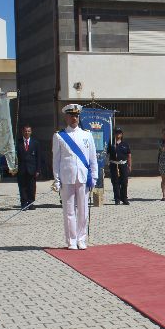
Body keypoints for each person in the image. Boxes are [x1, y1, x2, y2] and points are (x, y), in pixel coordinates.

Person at [52, 104, 98, 250]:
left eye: (76, 116)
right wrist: (56, 179)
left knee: (83, 210)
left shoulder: (87, 135)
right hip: (67, 177)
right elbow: (56, 160)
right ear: (66, 117)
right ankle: (71, 240)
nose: (74, 118)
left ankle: (81, 239)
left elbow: (92, 158)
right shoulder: (59, 136)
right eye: (71, 116)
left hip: (83, 178)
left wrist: (94, 177)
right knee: (69, 211)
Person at [16, 124, 42, 209]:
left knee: (32, 187)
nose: (27, 132)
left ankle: (31, 203)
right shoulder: (18, 143)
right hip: (21, 168)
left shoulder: (35, 143)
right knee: (22, 187)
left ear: (31, 132)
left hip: (32, 169)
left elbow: (38, 157)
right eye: (25, 131)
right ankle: (23, 203)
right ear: (22, 132)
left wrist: (38, 170)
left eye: (28, 131)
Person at [107, 127, 131, 205]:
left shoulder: (125, 144)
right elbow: (107, 154)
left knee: (124, 182)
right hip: (114, 165)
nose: (118, 134)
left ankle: (124, 198)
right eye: (117, 133)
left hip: (123, 165)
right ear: (114, 134)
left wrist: (130, 165)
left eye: (119, 133)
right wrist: (108, 162)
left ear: (122, 134)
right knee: (115, 182)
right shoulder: (111, 144)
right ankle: (117, 199)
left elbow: (129, 155)